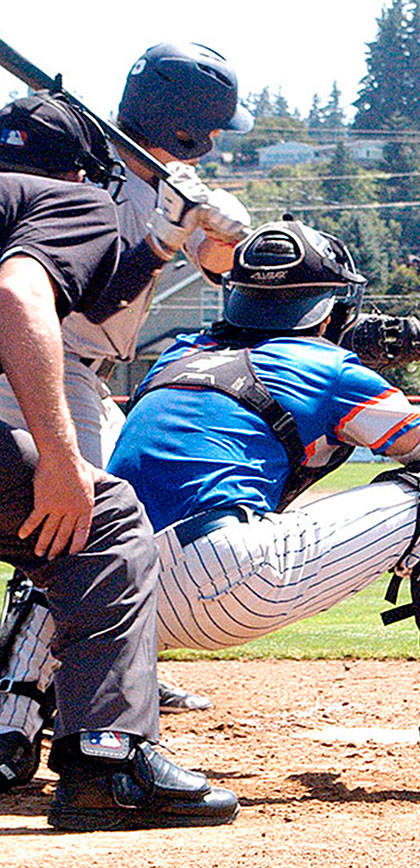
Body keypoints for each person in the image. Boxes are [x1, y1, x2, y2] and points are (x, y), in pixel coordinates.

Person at [102, 219, 420, 798]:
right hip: (230, 584)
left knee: (78, 527)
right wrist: (353, 372)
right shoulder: (332, 371)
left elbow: (254, 368)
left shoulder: (176, 355)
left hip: (119, 607)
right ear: (331, 311)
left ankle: (14, 731)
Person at [0, 42, 253, 770]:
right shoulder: (92, 180)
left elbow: (220, 268)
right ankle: (28, 710)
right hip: (47, 364)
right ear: (191, 123)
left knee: (115, 511)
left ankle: (111, 667)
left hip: (89, 371)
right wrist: (165, 236)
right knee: (74, 525)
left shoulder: (165, 178)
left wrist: (218, 231)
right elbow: (92, 295)